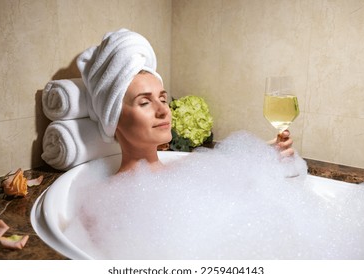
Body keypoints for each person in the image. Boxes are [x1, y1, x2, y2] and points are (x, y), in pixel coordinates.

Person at [77, 28, 294, 174]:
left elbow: (221, 167)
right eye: (144, 102)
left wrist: (267, 152)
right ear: (113, 120)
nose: (163, 110)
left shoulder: (180, 171)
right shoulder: (115, 201)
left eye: (162, 98)